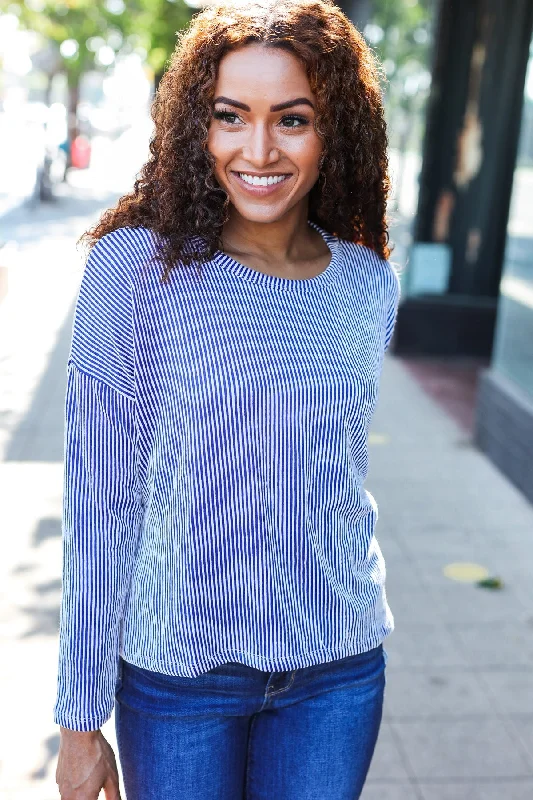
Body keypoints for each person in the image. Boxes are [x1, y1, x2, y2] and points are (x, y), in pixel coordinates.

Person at [54, 0, 402, 797]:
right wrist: (79, 719)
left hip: (335, 670)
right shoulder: (133, 272)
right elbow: (99, 507)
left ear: (333, 131)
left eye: (292, 119)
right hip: (179, 680)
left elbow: (328, 474)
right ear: (195, 127)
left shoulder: (365, 282)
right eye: (229, 116)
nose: (258, 148)